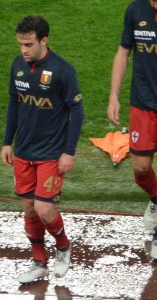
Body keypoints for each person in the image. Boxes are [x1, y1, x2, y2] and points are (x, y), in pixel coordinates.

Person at [1, 15, 84, 283]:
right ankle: (39, 262)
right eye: (20, 44)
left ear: (43, 41)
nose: (23, 50)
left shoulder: (62, 70)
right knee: (28, 207)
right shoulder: (18, 65)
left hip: (51, 153)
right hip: (24, 152)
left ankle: (63, 247)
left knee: (44, 208)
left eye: (28, 44)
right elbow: (14, 104)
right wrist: (7, 141)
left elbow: (77, 111)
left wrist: (69, 151)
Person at [107, 0, 157, 258]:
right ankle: (156, 198)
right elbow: (123, 53)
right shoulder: (136, 10)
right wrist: (114, 95)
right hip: (142, 104)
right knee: (141, 169)